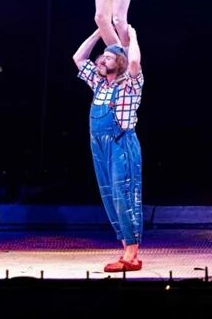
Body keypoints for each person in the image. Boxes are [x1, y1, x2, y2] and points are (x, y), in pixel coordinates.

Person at [73, 26, 144, 272]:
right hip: (99, 147)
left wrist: (132, 38)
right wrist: (98, 32)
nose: (103, 60)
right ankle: (126, 249)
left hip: (121, 144)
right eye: (103, 57)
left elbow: (134, 62)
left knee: (124, 194)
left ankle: (132, 254)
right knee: (109, 197)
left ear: (120, 63)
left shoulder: (129, 85)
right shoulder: (99, 84)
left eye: (110, 57)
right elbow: (78, 58)